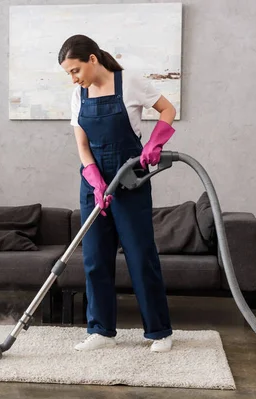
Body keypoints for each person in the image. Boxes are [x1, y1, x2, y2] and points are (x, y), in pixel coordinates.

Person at [58, 34, 177, 352]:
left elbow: (167, 109)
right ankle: (99, 329)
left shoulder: (130, 82)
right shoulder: (78, 95)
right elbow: (82, 146)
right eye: (69, 73)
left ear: (92, 60)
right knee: (95, 258)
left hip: (130, 179)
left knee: (140, 256)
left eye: (75, 70)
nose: (74, 78)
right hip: (94, 183)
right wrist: (94, 180)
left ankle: (159, 331)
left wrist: (154, 143)